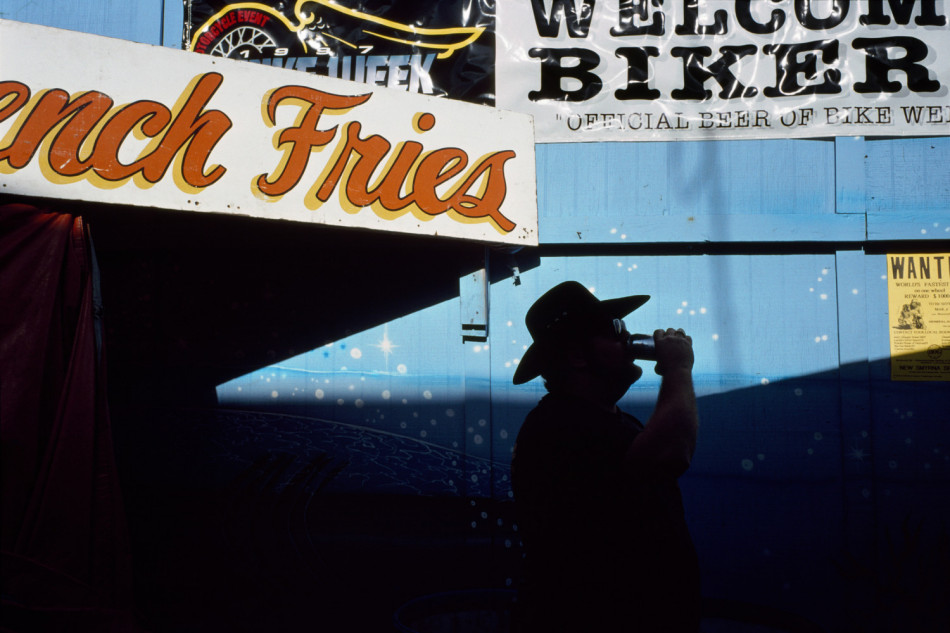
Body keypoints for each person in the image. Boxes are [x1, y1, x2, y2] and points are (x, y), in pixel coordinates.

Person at [511, 281, 700, 633]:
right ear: (578, 357)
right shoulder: (558, 427)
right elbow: (671, 454)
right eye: (615, 329)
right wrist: (678, 370)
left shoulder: (613, 422)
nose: (628, 338)